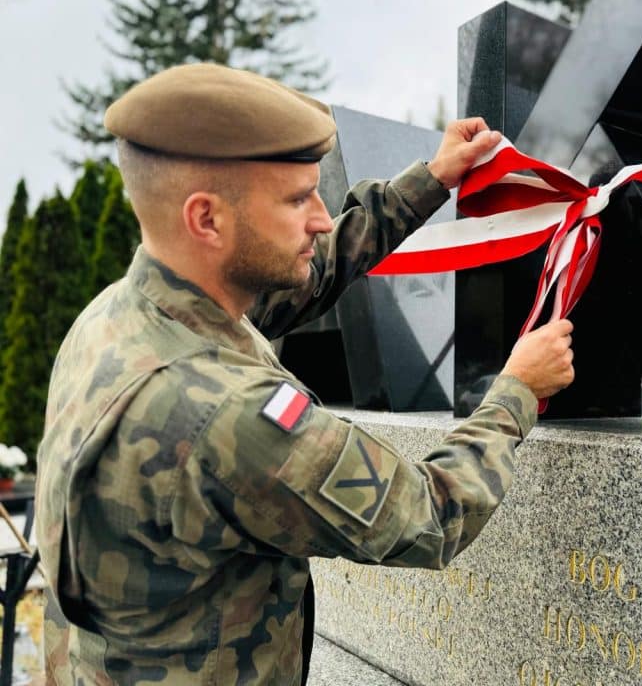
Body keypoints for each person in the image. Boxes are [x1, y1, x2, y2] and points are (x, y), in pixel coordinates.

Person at [36, 63, 575, 684]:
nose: (320, 218)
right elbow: (430, 516)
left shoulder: (120, 315)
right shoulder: (226, 413)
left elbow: (306, 276)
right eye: (296, 200)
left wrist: (429, 181)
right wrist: (516, 391)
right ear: (206, 219)